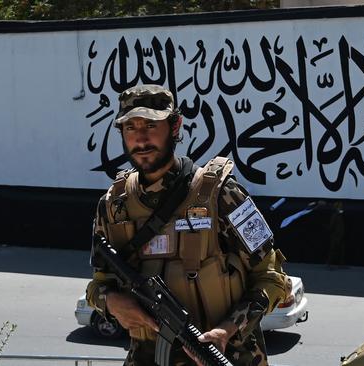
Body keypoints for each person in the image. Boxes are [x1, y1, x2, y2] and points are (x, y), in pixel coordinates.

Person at [85, 84, 290, 366]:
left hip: (225, 355)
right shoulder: (113, 205)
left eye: (151, 125)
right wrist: (110, 302)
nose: (141, 138)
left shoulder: (222, 195)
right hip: (148, 358)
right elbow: (98, 285)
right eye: (131, 127)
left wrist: (226, 331)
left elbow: (273, 278)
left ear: (175, 125)